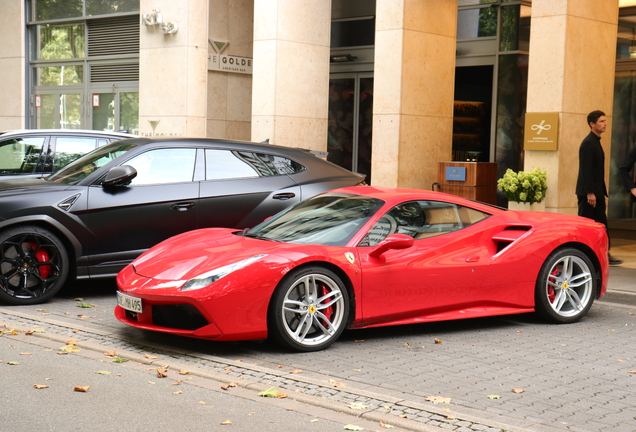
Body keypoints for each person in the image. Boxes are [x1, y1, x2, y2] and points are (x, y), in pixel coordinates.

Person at [576, 110, 622, 265]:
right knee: (587, 224)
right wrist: (590, 192)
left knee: (601, 223)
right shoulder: (588, 143)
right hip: (590, 193)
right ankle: (584, 253)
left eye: (605, 121)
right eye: (601, 121)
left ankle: (604, 253)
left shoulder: (595, 141)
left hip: (597, 191)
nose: (605, 124)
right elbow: (585, 169)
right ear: (592, 124)